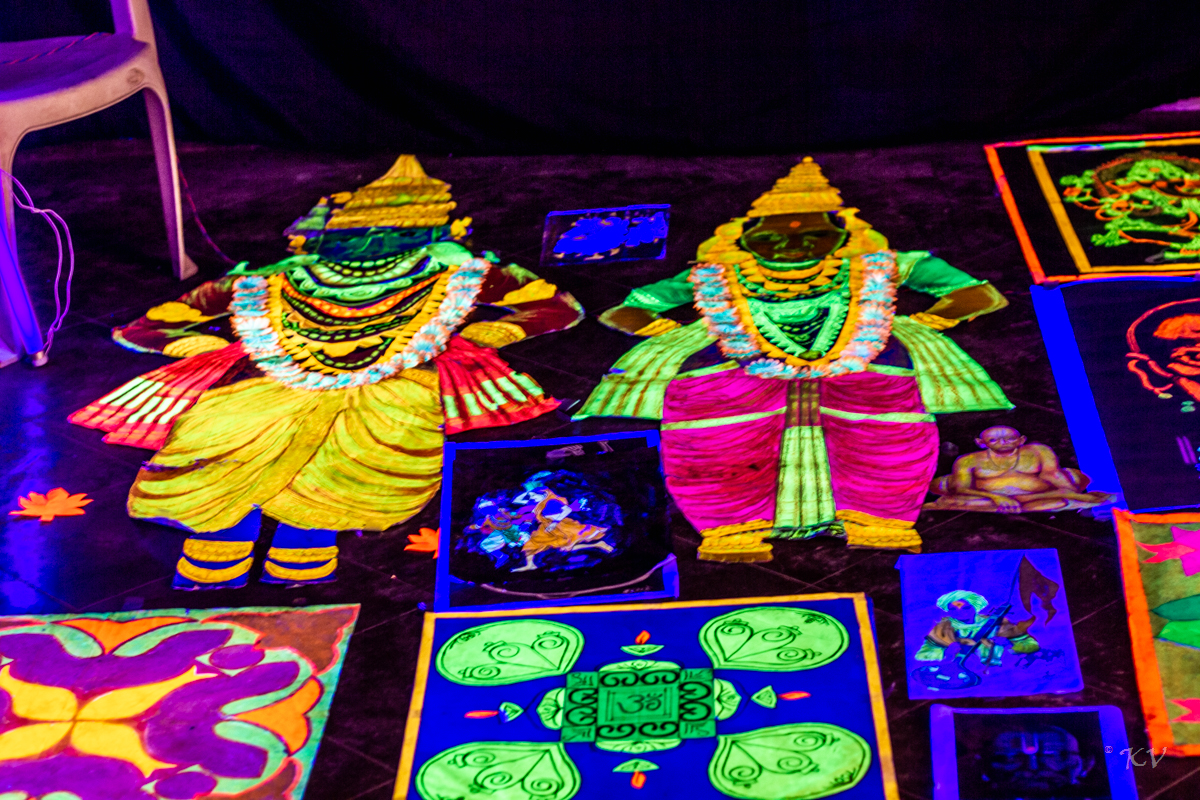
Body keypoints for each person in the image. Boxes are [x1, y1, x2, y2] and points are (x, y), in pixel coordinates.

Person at [70, 156, 584, 589]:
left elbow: (554, 307)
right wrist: (198, 345)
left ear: (429, 231)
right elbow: (148, 326)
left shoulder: (461, 271)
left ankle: (305, 539)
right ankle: (223, 537)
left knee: (379, 425)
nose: (374, 240)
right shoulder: (269, 280)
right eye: (362, 230)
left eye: (395, 230)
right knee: (226, 425)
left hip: (394, 389)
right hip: (272, 385)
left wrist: (490, 335)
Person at [578, 158, 1012, 561]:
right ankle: (731, 529)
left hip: (866, 360)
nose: (793, 246)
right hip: (733, 362)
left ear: (843, 234)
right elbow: (630, 308)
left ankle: (877, 521)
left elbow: (977, 294)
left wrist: (927, 321)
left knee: (880, 438)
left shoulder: (881, 265)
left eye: (813, 235)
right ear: (744, 237)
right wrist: (675, 333)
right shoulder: (718, 273)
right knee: (719, 441)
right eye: (772, 237)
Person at [926, 426, 1113, 513]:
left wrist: (1070, 491)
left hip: (1039, 493)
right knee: (956, 501)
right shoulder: (968, 460)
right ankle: (1029, 502)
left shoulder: (1038, 450)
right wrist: (996, 497)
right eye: (994, 440)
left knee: (1062, 497)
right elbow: (961, 489)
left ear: (1021, 440)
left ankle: (1032, 501)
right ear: (981, 443)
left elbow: (1052, 473)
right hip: (986, 497)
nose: (1003, 443)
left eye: (1009, 438)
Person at [915, 591, 1039, 667]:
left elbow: (1032, 645)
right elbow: (922, 655)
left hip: (998, 673)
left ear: (975, 608)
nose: (960, 612)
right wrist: (945, 652)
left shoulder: (997, 622)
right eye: (953, 609)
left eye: (966, 608)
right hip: (959, 675)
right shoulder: (943, 627)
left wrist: (1009, 644)